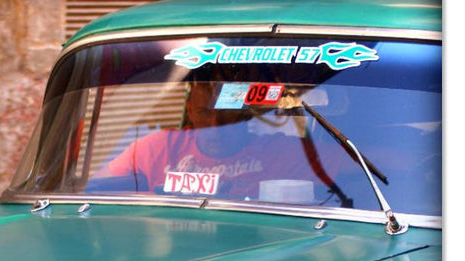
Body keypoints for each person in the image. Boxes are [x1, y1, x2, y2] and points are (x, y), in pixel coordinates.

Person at [93, 81, 338, 201]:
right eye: (203, 113)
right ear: (190, 112)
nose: (215, 126)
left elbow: (356, 163)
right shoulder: (159, 147)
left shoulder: (279, 151)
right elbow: (91, 190)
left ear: (243, 114)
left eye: (225, 114)